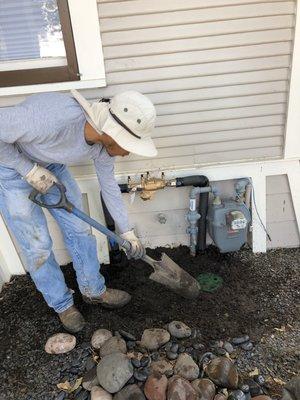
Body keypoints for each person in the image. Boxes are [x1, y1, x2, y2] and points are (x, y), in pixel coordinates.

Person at [0, 89, 157, 333]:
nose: (127, 153)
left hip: (51, 165)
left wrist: (126, 231)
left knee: (80, 230)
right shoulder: (52, 117)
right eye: (128, 146)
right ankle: (62, 304)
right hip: (11, 169)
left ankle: (93, 290)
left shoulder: (103, 147)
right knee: (37, 245)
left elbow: (109, 187)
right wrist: (26, 168)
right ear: (110, 133)